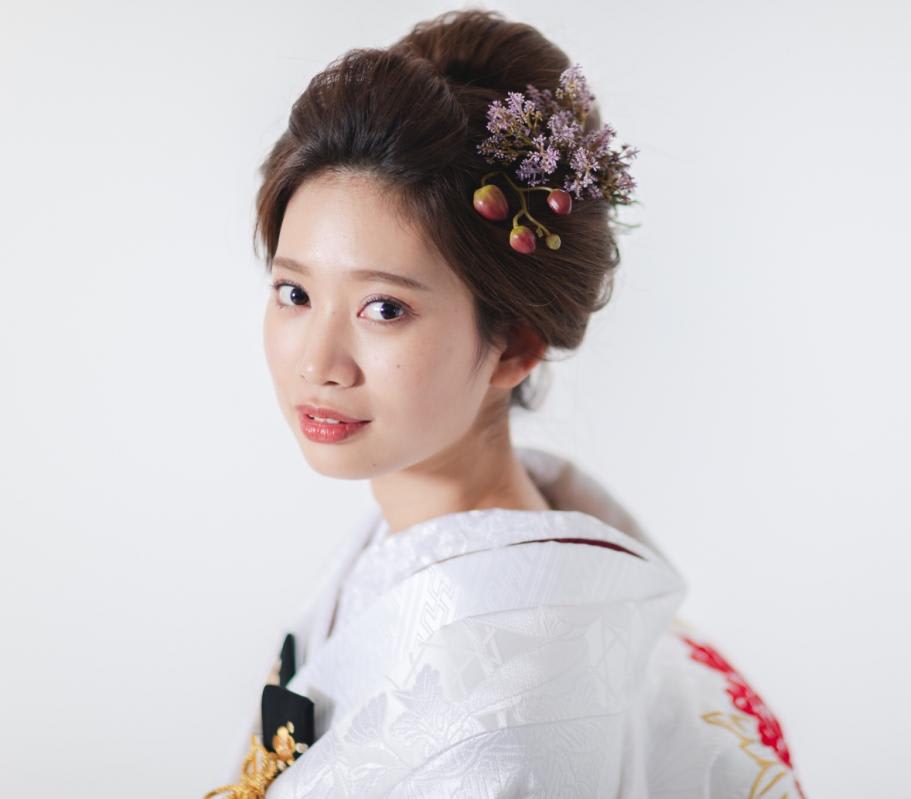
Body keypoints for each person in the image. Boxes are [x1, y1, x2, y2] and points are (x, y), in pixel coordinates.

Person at [205, 8, 807, 798]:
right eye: (294, 292)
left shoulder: (505, 736)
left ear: (515, 344)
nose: (317, 362)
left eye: (384, 308)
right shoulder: (415, 550)